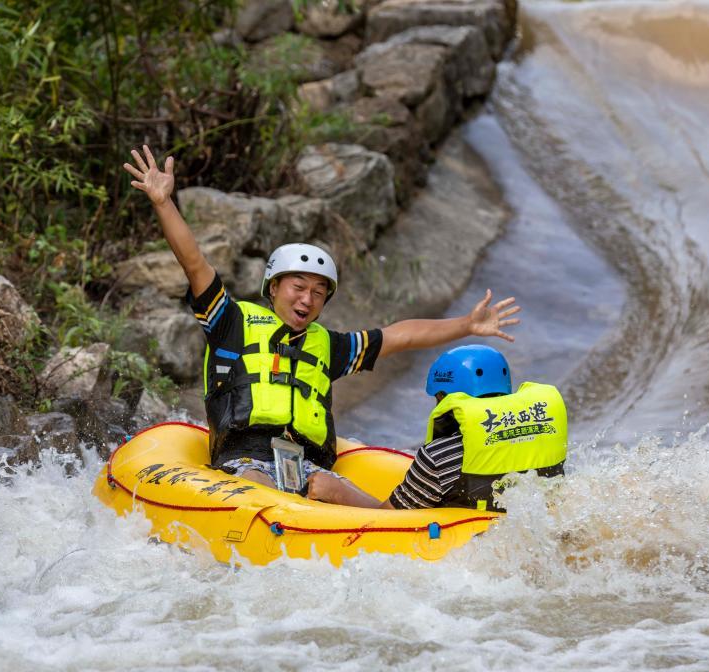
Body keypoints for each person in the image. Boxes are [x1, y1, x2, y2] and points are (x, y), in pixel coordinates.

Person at [123, 146, 522, 506]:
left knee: (330, 489)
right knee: (258, 483)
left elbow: (400, 336)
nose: (307, 299)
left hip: (309, 465)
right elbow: (195, 263)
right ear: (273, 287)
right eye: (298, 287)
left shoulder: (328, 345)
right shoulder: (231, 321)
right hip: (244, 460)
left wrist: (467, 324)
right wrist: (164, 202)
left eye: (318, 292)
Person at [367, 344, 567, 511]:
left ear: (443, 398)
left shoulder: (438, 456)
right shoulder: (544, 435)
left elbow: (386, 518)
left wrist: (346, 491)